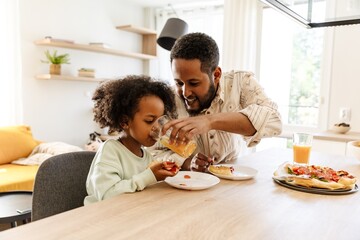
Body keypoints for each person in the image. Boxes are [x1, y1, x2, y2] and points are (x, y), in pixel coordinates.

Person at [150, 32, 282, 172]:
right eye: (179, 83)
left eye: (194, 83)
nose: (185, 92)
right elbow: (153, 153)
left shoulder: (240, 82)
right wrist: (187, 163)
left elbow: (274, 121)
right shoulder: (167, 100)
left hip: (232, 178)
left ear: (216, 75)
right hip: (186, 184)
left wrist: (210, 121)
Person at [84, 75, 179, 205]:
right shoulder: (111, 150)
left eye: (160, 121)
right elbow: (107, 196)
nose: (158, 128)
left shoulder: (146, 156)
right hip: (101, 218)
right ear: (125, 122)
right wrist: (149, 176)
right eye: (150, 121)